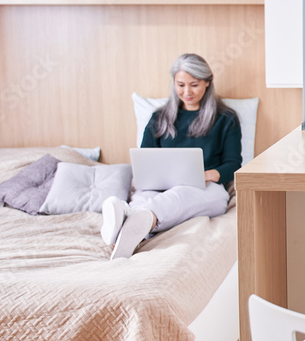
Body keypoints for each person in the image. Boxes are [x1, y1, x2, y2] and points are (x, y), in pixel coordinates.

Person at [102, 53, 242, 260]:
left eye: (194, 85)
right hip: (159, 187)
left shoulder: (226, 119)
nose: (187, 92)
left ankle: (133, 220)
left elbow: (233, 163)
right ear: (174, 83)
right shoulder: (159, 117)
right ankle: (135, 222)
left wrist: (210, 174)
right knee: (144, 197)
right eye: (181, 85)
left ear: (207, 83)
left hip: (205, 188)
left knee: (179, 196)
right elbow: (145, 158)